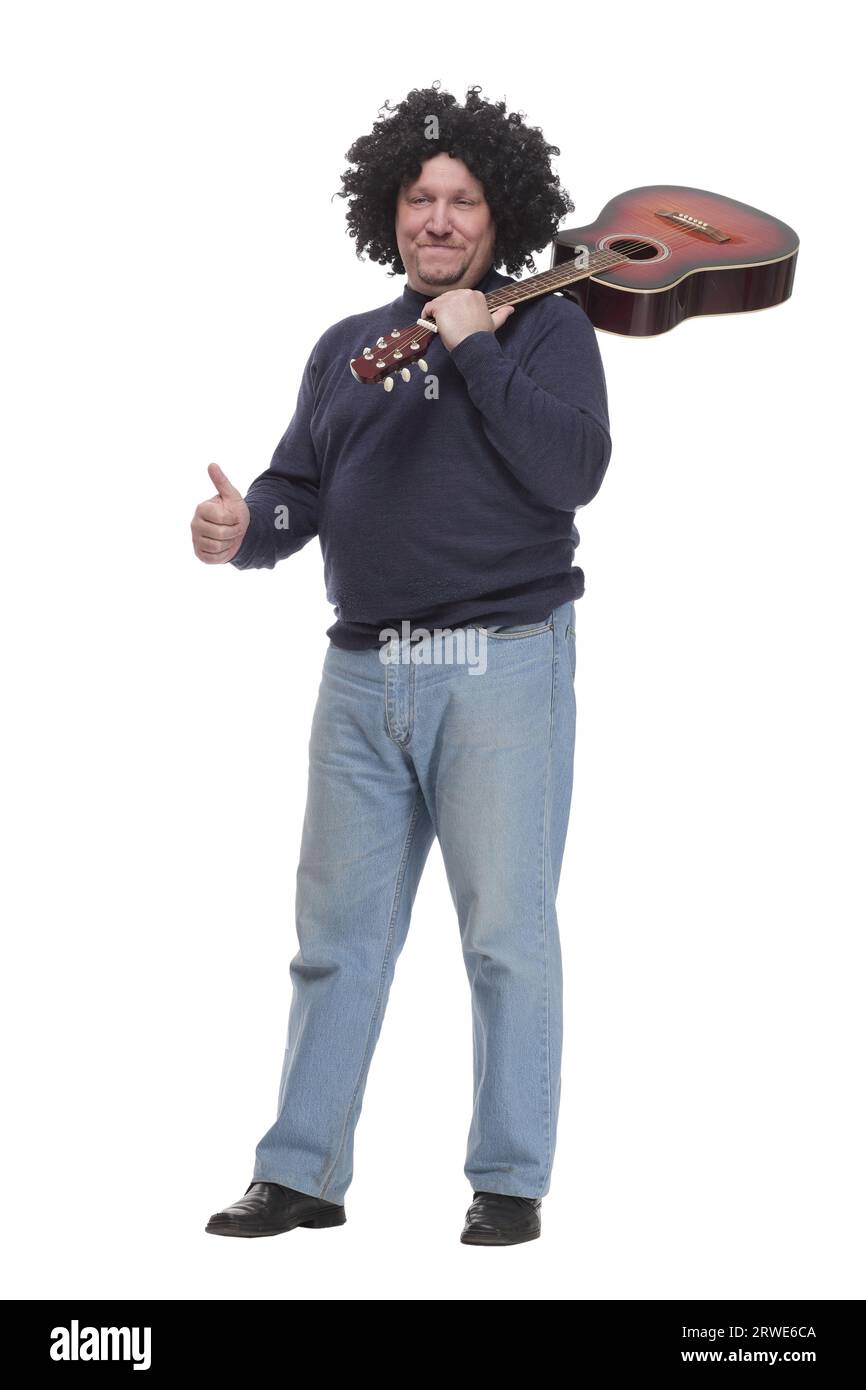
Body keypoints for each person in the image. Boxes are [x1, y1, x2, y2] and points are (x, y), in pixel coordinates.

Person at [193, 82, 613, 1246]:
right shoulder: (343, 350)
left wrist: (477, 347)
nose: (437, 218)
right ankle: (300, 1174)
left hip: (501, 668)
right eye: (418, 198)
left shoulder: (548, 328)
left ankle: (509, 1178)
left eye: (462, 199)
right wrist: (247, 535)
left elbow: (570, 469)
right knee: (335, 939)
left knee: (504, 935)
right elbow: (296, 493)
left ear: (499, 215)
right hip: (360, 678)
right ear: (390, 212)